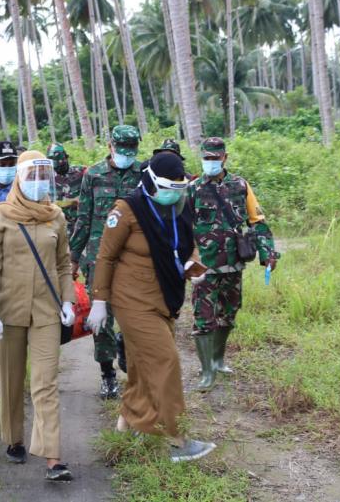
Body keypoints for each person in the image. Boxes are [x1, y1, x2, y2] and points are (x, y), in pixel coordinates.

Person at [89, 152, 216, 462]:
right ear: (150, 182)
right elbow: (104, 257)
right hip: (132, 301)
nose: (174, 193)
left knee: (142, 367)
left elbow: (185, 244)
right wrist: (99, 301)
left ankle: (125, 425)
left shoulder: (178, 206)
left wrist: (191, 265)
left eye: (179, 188)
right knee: (165, 361)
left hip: (164, 297)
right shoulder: (127, 210)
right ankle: (177, 439)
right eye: (169, 188)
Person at [0, 150, 77, 482]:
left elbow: (63, 264)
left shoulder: (56, 216)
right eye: (31, 176)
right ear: (20, 178)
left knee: (45, 383)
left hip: (46, 311)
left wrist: (68, 301)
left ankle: (53, 457)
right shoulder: (1, 215)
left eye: (42, 177)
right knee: (10, 380)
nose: (37, 183)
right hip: (8, 311)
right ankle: (14, 439)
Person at [187, 137, 279, 390]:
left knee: (228, 314)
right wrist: (186, 261)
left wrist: (268, 253)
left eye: (215, 159)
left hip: (233, 263)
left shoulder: (240, 186)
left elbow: (257, 222)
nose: (211, 163)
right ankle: (206, 373)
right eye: (206, 158)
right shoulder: (192, 189)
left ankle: (217, 360)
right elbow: (182, 228)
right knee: (203, 318)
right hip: (203, 268)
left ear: (224, 158)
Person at [70, 125, 143, 400]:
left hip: (133, 260)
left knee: (133, 315)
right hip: (98, 260)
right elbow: (84, 219)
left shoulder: (142, 174)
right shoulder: (94, 175)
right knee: (100, 320)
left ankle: (125, 346)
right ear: (111, 146)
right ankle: (107, 375)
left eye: (131, 150)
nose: (127, 155)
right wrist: (74, 259)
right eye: (122, 149)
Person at [47, 143, 86, 238]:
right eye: (57, 161)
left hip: (80, 226)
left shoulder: (80, 172)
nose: (60, 163)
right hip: (57, 228)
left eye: (62, 160)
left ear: (66, 158)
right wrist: (71, 202)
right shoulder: (46, 178)